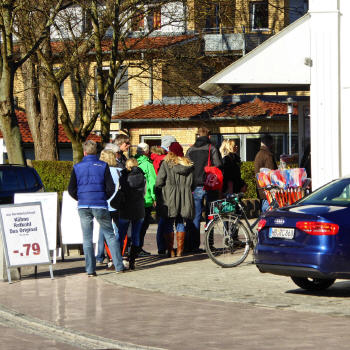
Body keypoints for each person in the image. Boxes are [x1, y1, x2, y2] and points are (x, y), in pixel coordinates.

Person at [68, 140, 124, 276]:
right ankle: (118, 266)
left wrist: (80, 198)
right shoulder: (103, 166)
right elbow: (110, 187)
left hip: (83, 205)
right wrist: (104, 198)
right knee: (110, 235)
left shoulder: (77, 167)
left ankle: (90, 270)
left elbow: (71, 189)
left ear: (84, 152)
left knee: (87, 239)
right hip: (100, 204)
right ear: (96, 152)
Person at [185, 127, 222, 253]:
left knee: (195, 216)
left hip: (195, 186)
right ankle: (209, 245)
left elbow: (186, 167)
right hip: (209, 184)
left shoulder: (190, 150)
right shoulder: (212, 148)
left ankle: (194, 245)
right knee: (210, 215)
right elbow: (218, 165)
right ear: (209, 136)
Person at [156, 142, 194, 257]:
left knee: (168, 223)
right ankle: (180, 250)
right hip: (184, 198)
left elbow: (159, 182)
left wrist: (158, 195)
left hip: (169, 197)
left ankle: (171, 250)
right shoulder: (189, 165)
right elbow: (193, 184)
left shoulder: (166, 164)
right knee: (180, 222)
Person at [117, 157, 146, 270]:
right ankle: (132, 261)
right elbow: (143, 193)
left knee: (121, 234)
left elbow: (119, 190)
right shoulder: (142, 177)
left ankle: (118, 259)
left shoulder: (123, 177)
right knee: (136, 235)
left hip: (125, 208)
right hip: (139, 208)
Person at [95, 148, 122, 267]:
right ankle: (116, 254)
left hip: (104, 203)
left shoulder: (100, 172)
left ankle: (100, 256)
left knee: (103, 230)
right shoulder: (119, 171)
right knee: (116, 230)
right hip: (117, 204)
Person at [135, 142, 157, 256]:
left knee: (135, 225)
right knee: (143, 226)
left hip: (135, 198)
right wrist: (154, 197)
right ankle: (139, 248)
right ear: (146, 151)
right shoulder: (148, 164)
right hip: (146, 198)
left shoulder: (133, 161)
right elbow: (152, 182)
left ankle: (134, 247)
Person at [254, 134, 278, 212]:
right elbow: (271, 173)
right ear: (270, 143)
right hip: (268, 190)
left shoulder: (259, 154)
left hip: (261, 188)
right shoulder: (268, 155)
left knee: (265, 210)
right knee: (268, 212)